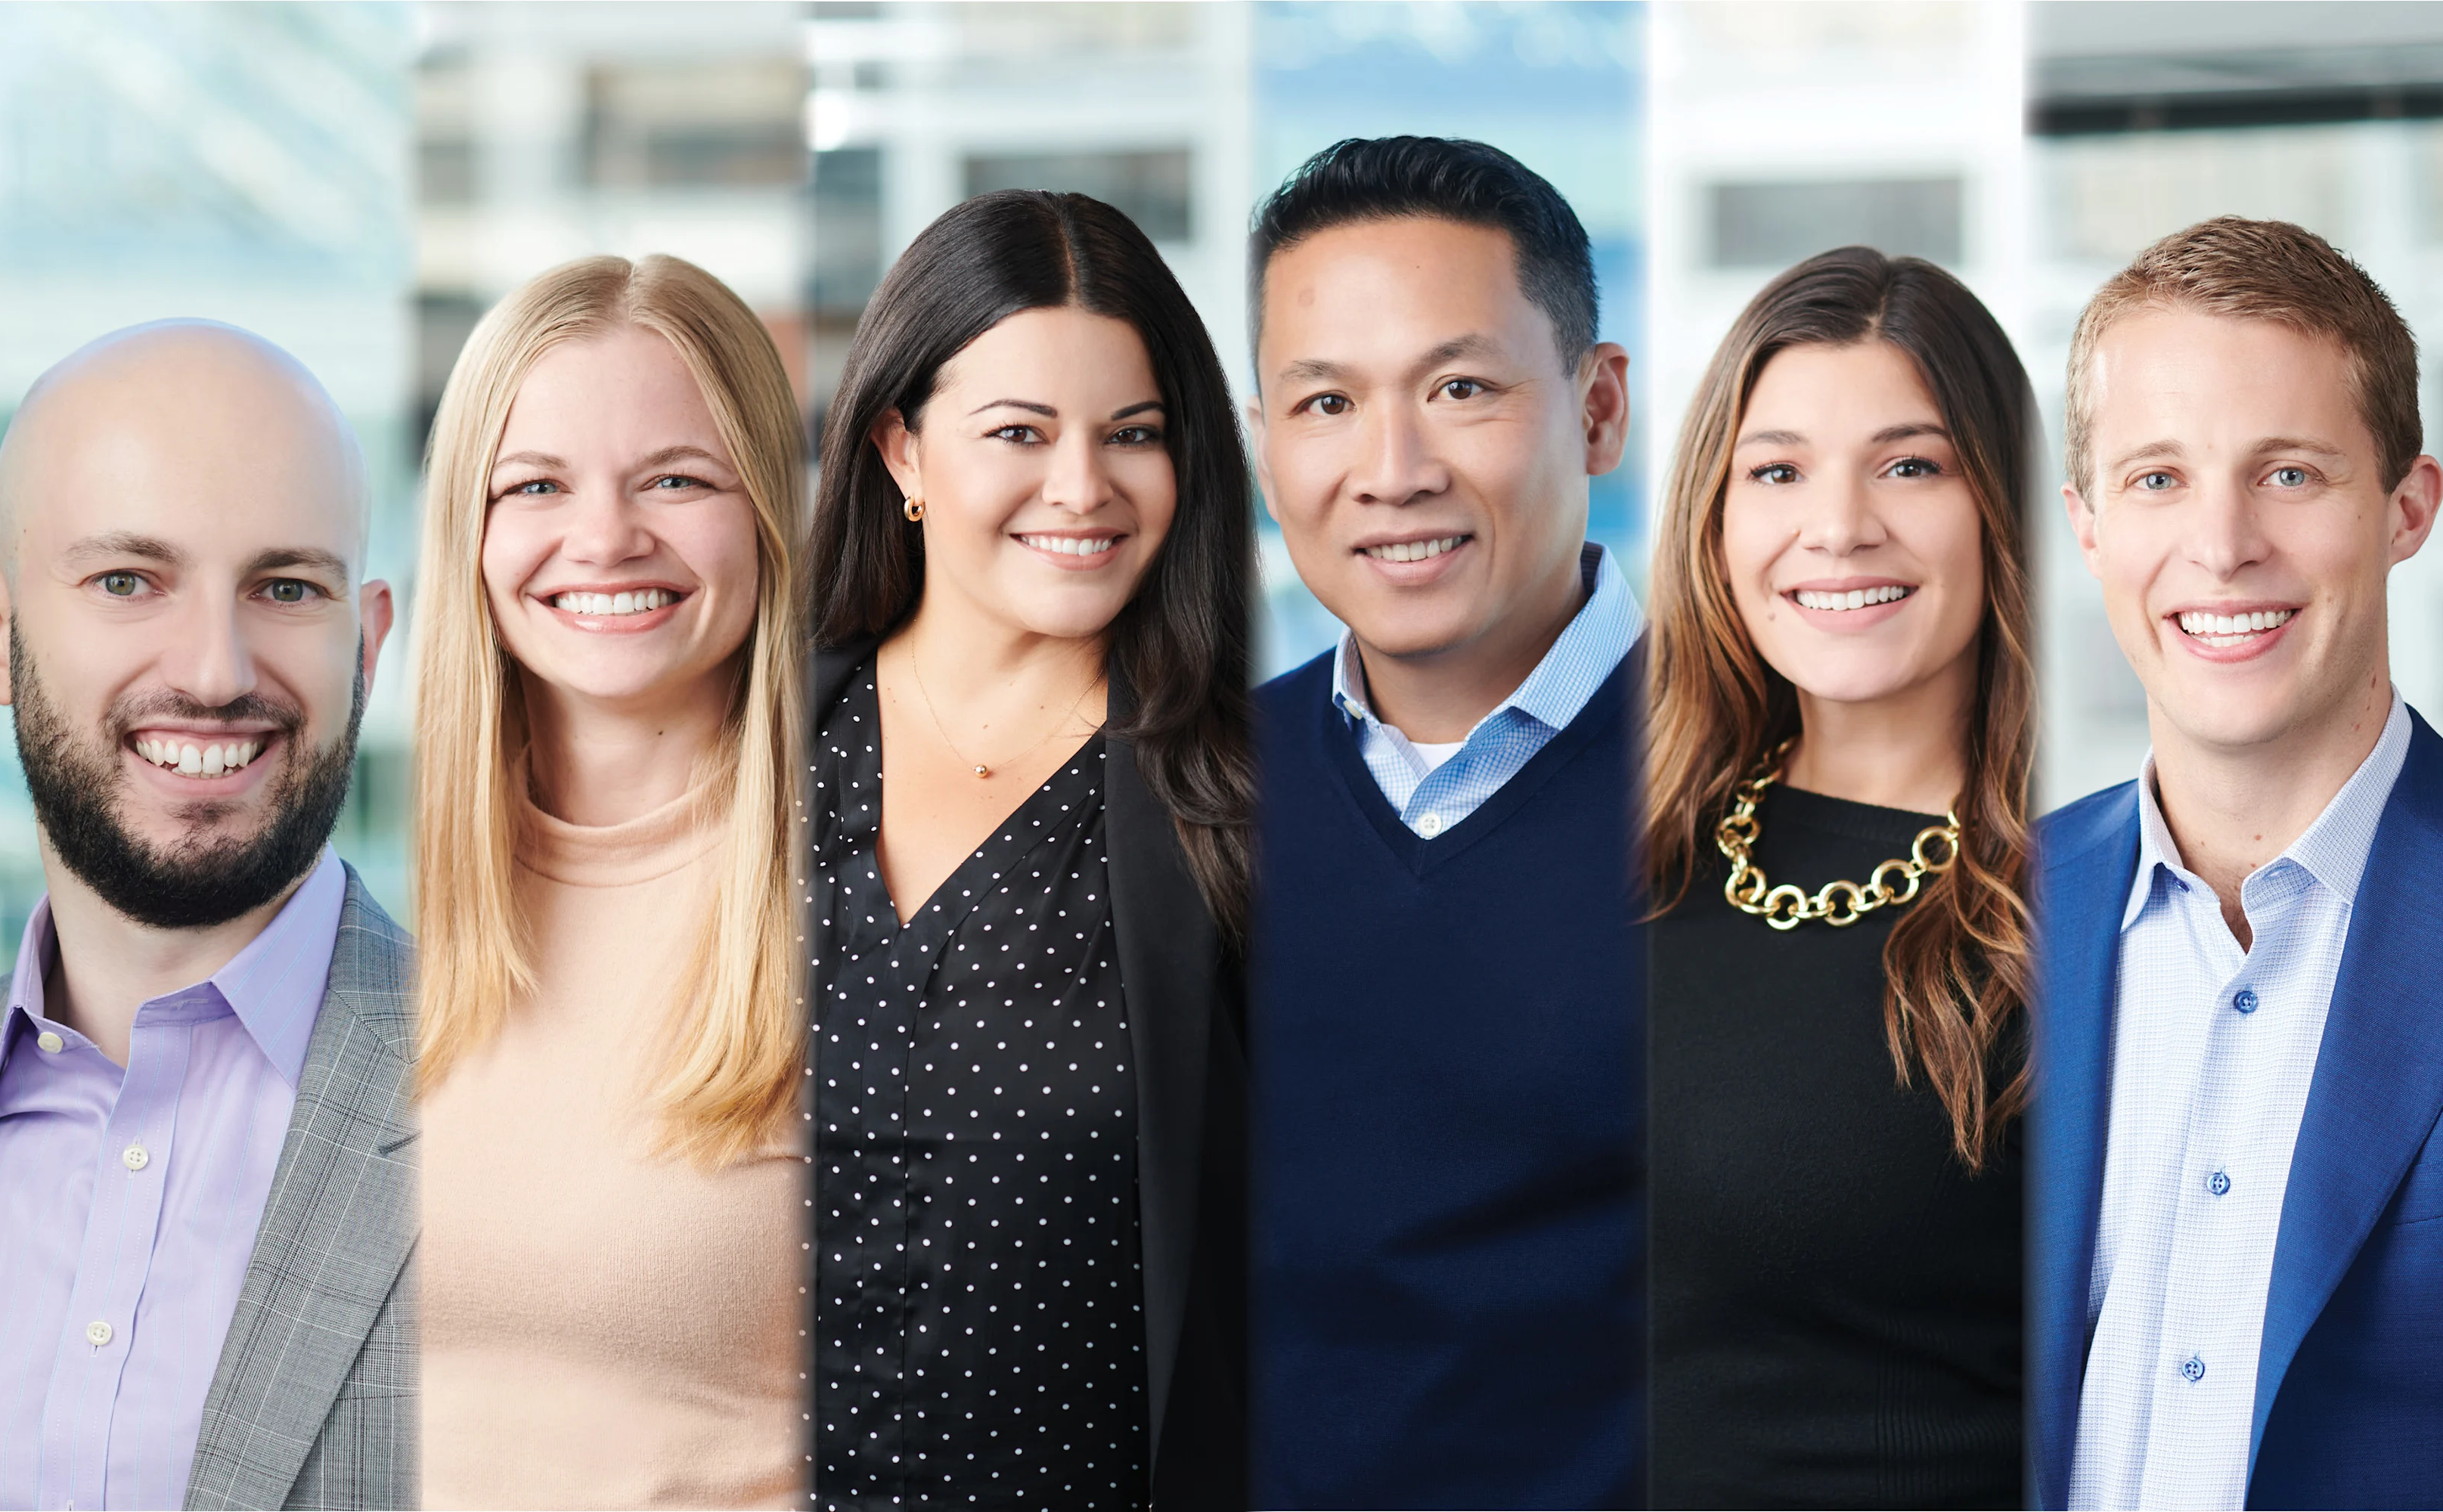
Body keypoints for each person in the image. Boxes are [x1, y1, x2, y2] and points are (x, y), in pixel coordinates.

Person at [801, 187, 1253, 1511]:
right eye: (1019, 431)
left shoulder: (1249, 801)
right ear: (902, 450)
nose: (1083, 487)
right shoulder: (742, 751)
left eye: (1134, 435)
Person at [2027, 217, 2443, 1510]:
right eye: (2158, 479)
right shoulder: (1978, 918)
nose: (2221, 546)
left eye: (2289, 474)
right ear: (2089, 524)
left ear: (2407, 509)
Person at [1248, 135, 1642, 1510]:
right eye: (1325, 405)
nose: (1392, 468)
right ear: (1262, 446)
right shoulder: (1191, 798)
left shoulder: (1765, 777)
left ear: (1598, 410)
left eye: (1461, 388)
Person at [0, 321, 408, 1510]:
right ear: (1, 637)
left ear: (367, 643)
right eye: (128, 581)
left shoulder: (532, 1108)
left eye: (285, 587)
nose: (217, 670)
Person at [409, 255, 807, 1507]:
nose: (604, 540)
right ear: (470, 535)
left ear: (766, 515)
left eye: (676, 480)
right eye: (535, 485)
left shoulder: (890, 903)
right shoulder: (357, 918)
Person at [1642, 247, 2034, 1509]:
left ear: (2006, 509)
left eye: (1911, 465)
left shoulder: (2090, 905)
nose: (1839, 527)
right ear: (1718, 515)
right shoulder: (1628, 856)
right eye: (1779, 470)